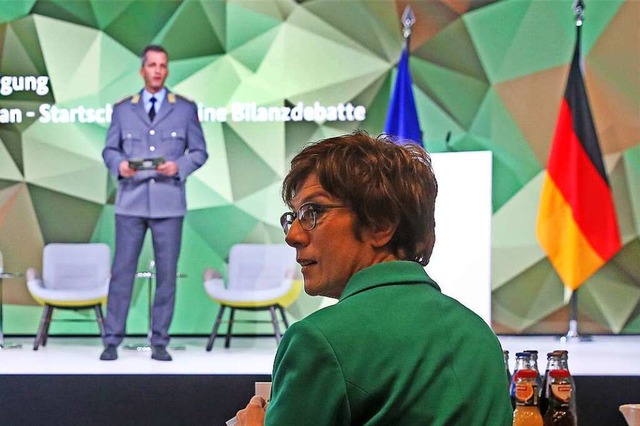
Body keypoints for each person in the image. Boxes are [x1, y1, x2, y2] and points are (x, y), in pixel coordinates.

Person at [235, 131, 511, 424]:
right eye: (293, 216)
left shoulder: (317, 340)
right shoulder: (479, 335)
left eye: (313, 211)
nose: (292, 235)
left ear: (381, 224)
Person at [99, 45, 208, 361]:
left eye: (163, 65)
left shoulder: (185, 109)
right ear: (142, 70)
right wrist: (119, 164)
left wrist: (180, 167)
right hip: (130, 201)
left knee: (166, 273)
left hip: (168, 203)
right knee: (122, 272)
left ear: (167, 70)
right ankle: (111, 339)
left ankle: (159, 340)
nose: (157, 70)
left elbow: (199, 152)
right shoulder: (123, 109)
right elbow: (110, 150)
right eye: (152, 65)